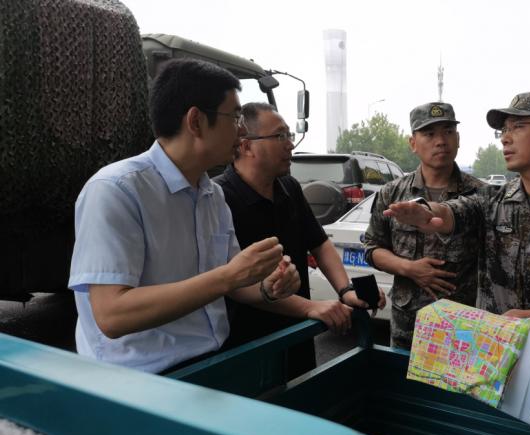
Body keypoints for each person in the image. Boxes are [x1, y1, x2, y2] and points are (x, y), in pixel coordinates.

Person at [69, 59, 340, 374]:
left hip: (212, 365)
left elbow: (236, 284)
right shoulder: (117, 190)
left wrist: (268, 286)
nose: (242, 132)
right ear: (196, 122)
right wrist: (229, 276)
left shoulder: (212, 195)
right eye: (235, 116)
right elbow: (112, 315)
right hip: (140, 382)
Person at [382, 92, 530, 341]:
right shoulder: (490, 201)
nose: (505, 139)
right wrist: (429, 212)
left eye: (517, 127)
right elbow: (453, 212)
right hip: (496, 362)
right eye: (503, 130)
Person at [214, 102, 385, 378]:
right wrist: (312, 307)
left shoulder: (290, 188)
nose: (290, 145)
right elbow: (233, 283)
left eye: (290, 135)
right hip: (249, 346)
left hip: (298, 335)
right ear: (245, 145)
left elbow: (319, 243)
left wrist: (346, 291)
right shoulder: (220, 198)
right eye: (280, 136)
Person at [364, 102, 485, 350]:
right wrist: (408, 268)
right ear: (413, 144)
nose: (441, 141)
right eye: (430, 134)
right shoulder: (392, 193)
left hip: (464, 328)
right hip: (409, 328)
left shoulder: (481, 193)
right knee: (403, 388)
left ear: (458, 138)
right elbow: (372, 248)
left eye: (448, 132)